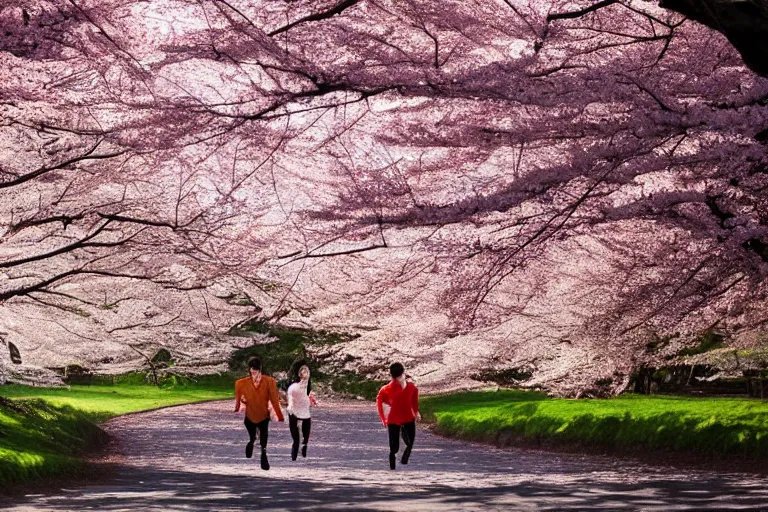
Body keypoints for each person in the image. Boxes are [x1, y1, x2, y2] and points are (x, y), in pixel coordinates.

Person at [234, 356, 284, 470]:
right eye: (252, 371)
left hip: (263, 414)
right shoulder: (241, 383)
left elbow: (274, 400)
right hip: (250, 414)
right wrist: (238, 406)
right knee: (252, 434)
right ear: (249, 370)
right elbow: (238, 399)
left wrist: (279, 415)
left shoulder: (269, 381)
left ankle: (264, 454)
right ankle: (251, 442)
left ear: (260, 369)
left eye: (256, 371)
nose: (254, 374)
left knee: (264, 434)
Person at [376, 362, 421, 470]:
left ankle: (404, 458)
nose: (400, 378)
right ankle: (393, 461)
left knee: (410, 441)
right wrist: (384, 419)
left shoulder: (411, 388)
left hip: (408, 418)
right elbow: (380, 402)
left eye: (401, 376)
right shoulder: (386, 389)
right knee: (394, 445)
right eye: (398, 376)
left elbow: (414, 401)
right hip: (393, 420)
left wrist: (416, 412)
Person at [286, 360, 318, 460]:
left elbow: (306, 395)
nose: (306, 374)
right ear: (300, 374)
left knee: (306, 434)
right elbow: (290, 395)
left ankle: (304, 446)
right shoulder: (294, 386)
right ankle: (294, 455)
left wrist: (311, 400)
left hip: (304, 411)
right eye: (304, 372)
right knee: (296, 438)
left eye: (308, 372)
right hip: (294, 411)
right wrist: (290, 404)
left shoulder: (307, 386)